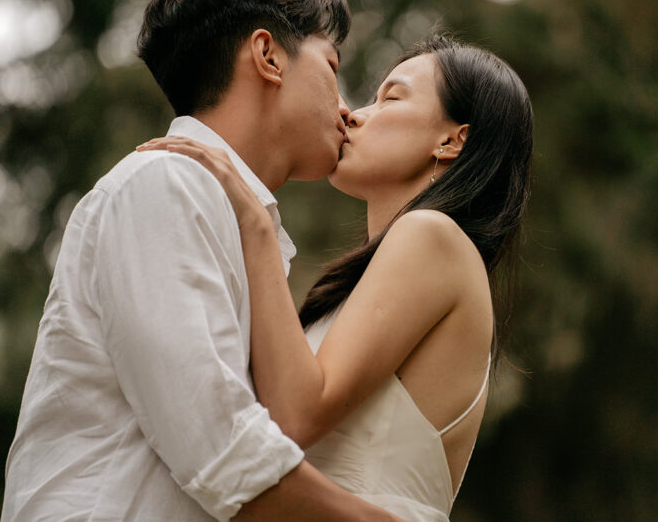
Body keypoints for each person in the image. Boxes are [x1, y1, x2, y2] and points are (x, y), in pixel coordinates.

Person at [2, 0, 398, 521]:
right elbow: (222, 450)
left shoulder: (232, 219)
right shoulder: (163, 183)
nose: (346, 109)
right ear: (267, 56)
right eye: (333, 67)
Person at [137, 33, 534, 521]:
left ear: (452, 140)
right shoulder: (405, 260)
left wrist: (256, 224)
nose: (353, 114)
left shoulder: (433, 236)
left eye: (390, 98)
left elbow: (297, 415)